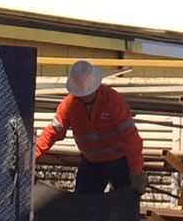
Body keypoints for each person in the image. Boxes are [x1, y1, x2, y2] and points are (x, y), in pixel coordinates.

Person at [35, 59, 148, 196]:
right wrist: (31, 157)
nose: (86, 96)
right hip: (92, 163)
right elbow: (52, 132)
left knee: (124, 206)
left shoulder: (112, 100)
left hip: (120, 161)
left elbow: (130, 137)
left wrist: (135, 171)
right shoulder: (70, 105)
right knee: (83, 207)